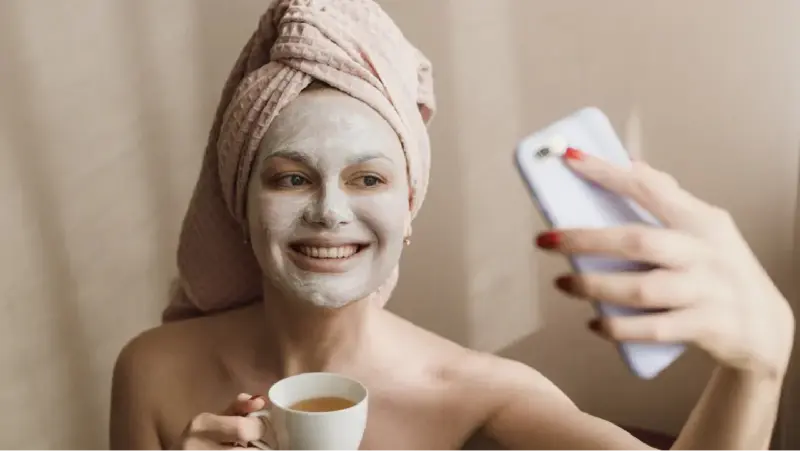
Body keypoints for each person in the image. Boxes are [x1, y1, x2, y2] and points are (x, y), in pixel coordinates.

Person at [109, 1, 794, 450]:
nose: (329, 210)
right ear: (240, 202)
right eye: (291, 177)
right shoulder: (152, 370)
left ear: (407, 211)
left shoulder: (480, 393)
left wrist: (757, 365)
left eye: (368, 178)